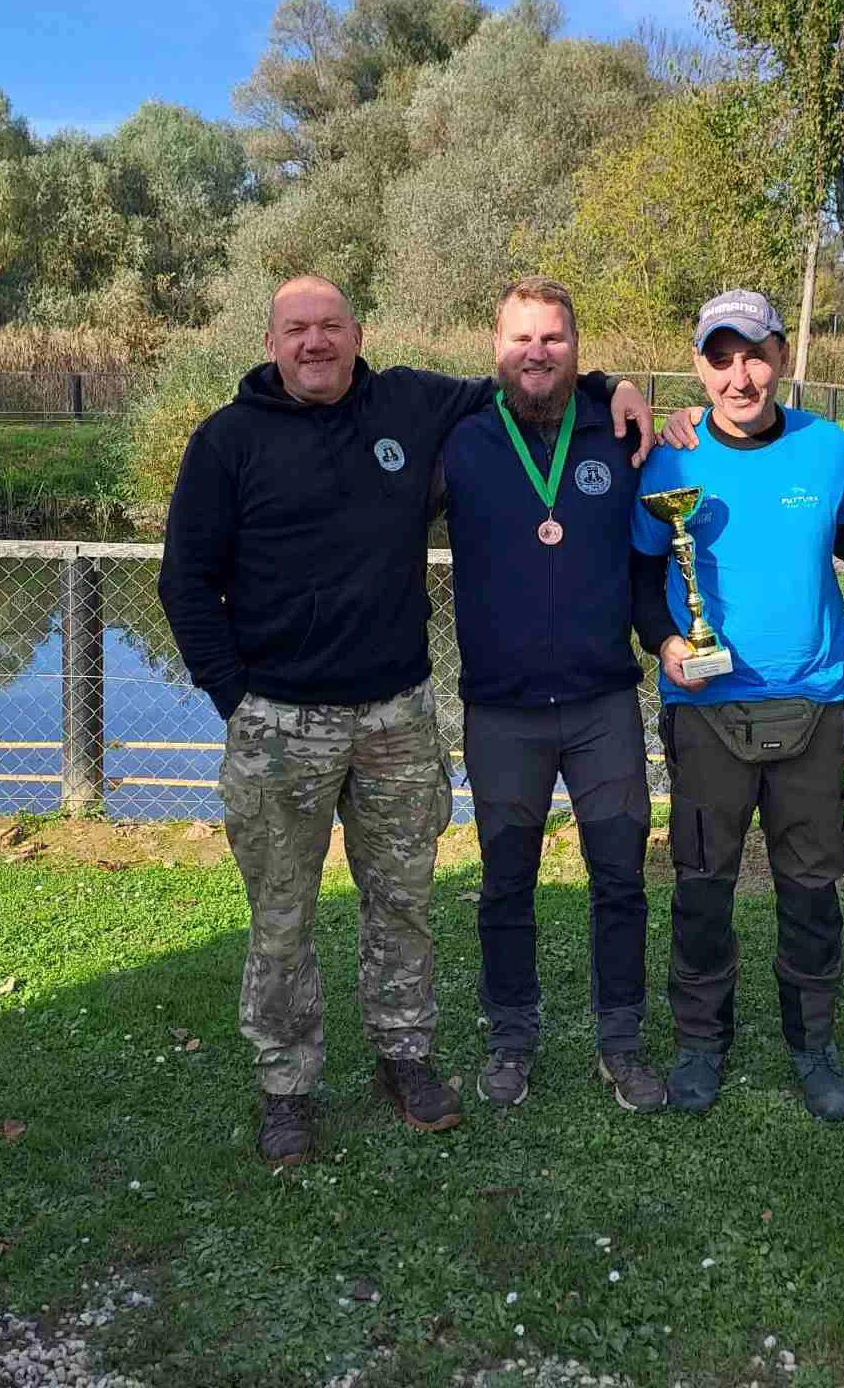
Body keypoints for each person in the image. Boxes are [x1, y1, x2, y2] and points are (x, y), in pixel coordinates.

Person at [157, 274, 651, 1163]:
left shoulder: (413, 403)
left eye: (331, 326)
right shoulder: (227, 442)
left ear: (357, 332)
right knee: (280, 917)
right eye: (297, 329)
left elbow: (528, 379)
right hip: (280, 723)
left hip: (396, 716)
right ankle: (287, 1086)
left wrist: (611, 384)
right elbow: (185, 584)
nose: (316, 342)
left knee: (404, 904)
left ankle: (406, 1058)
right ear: (271, 341)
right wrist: (238, 698)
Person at [631, 290, 844, 1121]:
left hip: (813, 704)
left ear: (782, 357)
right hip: (704, 716)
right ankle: (701, 1045)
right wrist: (665, 644)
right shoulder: (671, 461)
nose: (742, 374)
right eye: (722, 356)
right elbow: (639, 576)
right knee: (703, 886)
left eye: (756, 352)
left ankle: (813, 1045)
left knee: (811, 888)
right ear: (699, 366)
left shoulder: (831, 451)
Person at [438, 277, 666, 1115]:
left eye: (555, 340)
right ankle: (510, 1038)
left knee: (620, 877)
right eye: (522, 339)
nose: (538, 353)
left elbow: (651, 555)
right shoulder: (457, 438)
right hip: (499, 710)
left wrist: (618, 387)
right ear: (494, 348)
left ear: (578, 347)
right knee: (505, 882)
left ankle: (622, 1041)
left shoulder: (615, 432)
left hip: (603, 704)